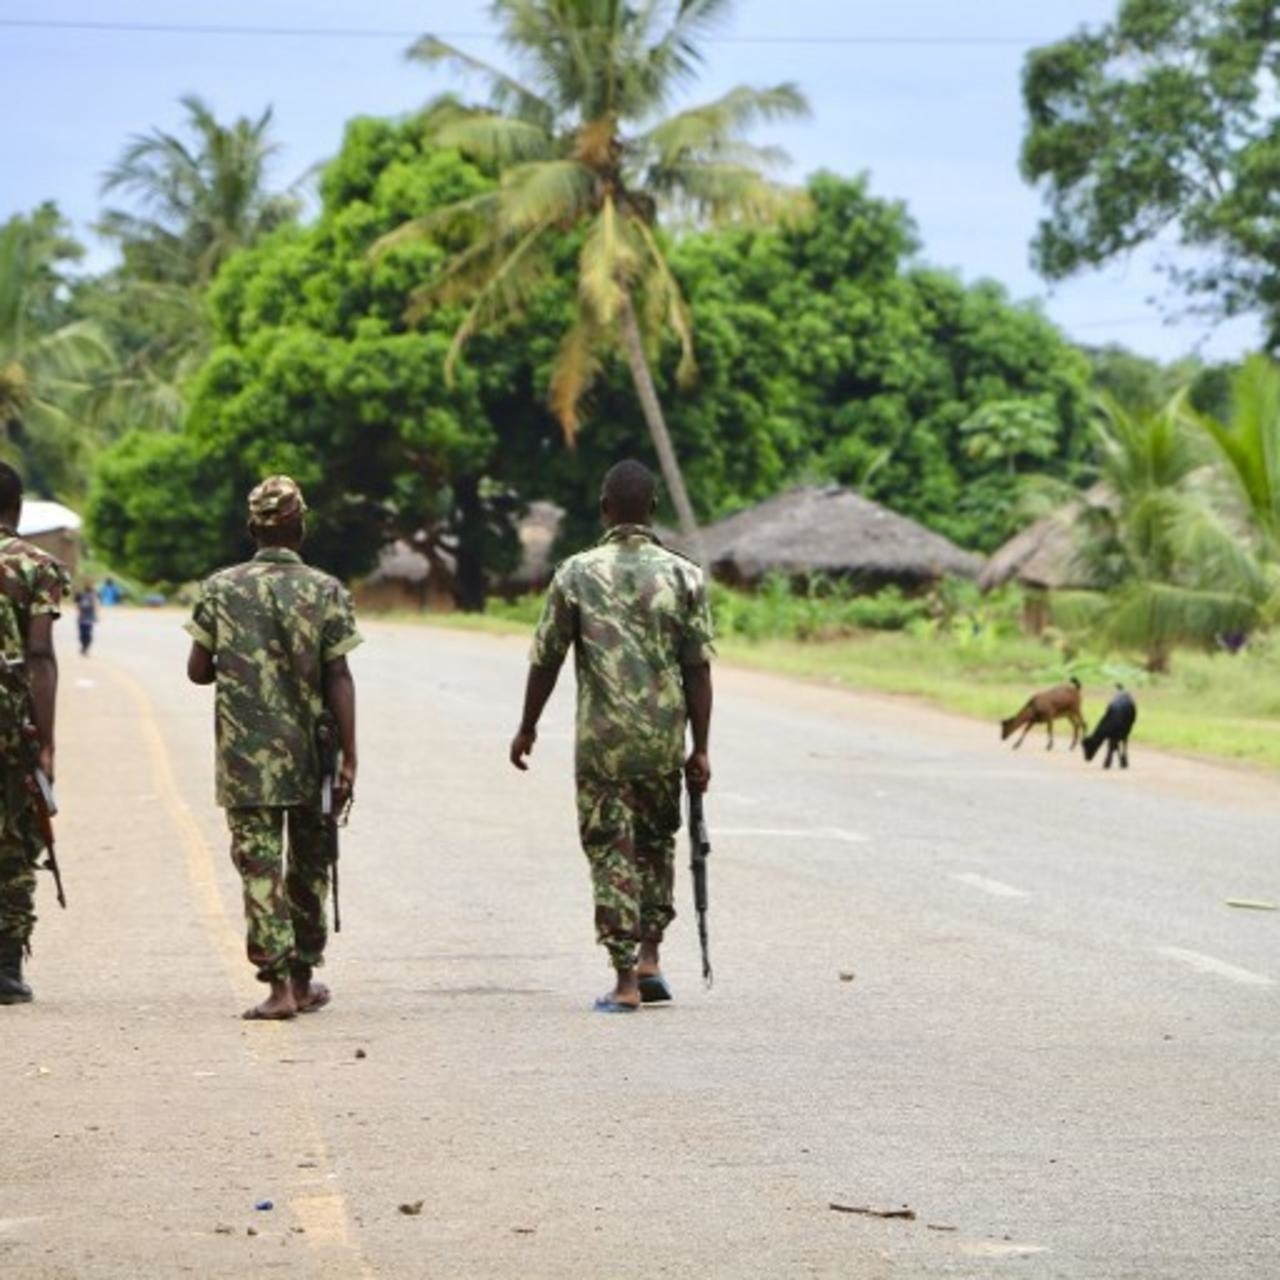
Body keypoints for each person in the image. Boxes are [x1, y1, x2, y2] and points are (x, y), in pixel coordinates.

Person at [510, 459, 714, 1013]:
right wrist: (701, 747)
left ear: (604, 508)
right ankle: (650, 960)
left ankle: (624, 982)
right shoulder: (683, 575)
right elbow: (698, 668)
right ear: (652, 509)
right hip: (660, 743)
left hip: (602, 746)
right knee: (655, 845)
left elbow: (546, 660)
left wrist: (528, 726)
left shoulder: (575, 574)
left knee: (610, 851)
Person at [185, 476, 360, 1021]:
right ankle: (305, 978)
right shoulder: (326, 590)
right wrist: (351, 755)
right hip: (313, 753)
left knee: (259, 866)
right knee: (309, 866)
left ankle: (279, 986)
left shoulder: (220, 588)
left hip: (245, 758)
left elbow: (196, 671)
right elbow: (340, 676)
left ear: (251, 527)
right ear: (300, 526)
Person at [0, 463, 70, 1004]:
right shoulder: (36, 566)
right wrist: (45, 742)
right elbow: (40, 654)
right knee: (14, 840)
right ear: (17, 508)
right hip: (9, 722)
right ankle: (4, 968)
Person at [75, 582, 98, 656]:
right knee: (86, 634)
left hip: (84, 618)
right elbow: (95, 606)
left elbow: (78, 606)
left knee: (84, 634)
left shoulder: (89, 596)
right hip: (86, 618)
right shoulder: (88, 596)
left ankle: (85, 648)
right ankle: (85, 647)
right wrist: (96, 616)